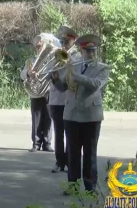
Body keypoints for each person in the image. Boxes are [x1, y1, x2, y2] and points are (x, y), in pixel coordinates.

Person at [51, 34, 110, 195]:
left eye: (93, 51)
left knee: (90, 153)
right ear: (82, 50)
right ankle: (73, 186)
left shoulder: (103, 67)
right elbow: (64, 87)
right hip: (71, 114)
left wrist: (78, 76)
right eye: (87, 51)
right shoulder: (73, 65)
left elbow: (96, 85)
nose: (90, 54)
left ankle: (90, 188)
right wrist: (55, 79)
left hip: (91, 115)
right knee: (72, 152)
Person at [50, 26, 81, 173]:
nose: (64, 44)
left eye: (67, 41)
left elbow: (76, 76)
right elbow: (50, 72)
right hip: (56, 100)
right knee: (58, 133)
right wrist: (53, 75)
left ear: (73, 42)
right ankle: (59, 161)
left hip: (69, 100)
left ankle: (69, 161)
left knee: (70, 134)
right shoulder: (56, 55)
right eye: (62, 41)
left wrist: (68, 61)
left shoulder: (78, 58)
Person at [20, 34, 54, 153]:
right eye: (38, 46)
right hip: (36, 92)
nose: (39, 48)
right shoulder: (30, 61)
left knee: (49, 118)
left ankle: (47, 143)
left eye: (41, 46)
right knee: (36, 119)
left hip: (48, 91)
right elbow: (22, 75)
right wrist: (29, 73)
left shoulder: (51, 60)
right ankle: (36, 143)